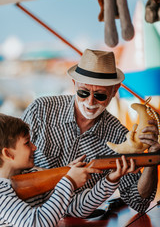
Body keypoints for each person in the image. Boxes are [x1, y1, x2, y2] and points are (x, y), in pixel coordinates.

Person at [22, 49, 160, 213]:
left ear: (114, 91)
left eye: (100, 95)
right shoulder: (41, 110)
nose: (90, 101)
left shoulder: (119, 137)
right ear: (74, 84)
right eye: (83, 92)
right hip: (25, 213)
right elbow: (11, 165)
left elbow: (139, 203)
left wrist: (152, 157)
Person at [0, 113, 136, 227]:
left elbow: (78, 209)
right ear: (8, 154)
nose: (34, 147)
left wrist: (111, 179)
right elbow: (37, 223)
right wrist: (69, 181)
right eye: (27, 142)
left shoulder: (32, 177)